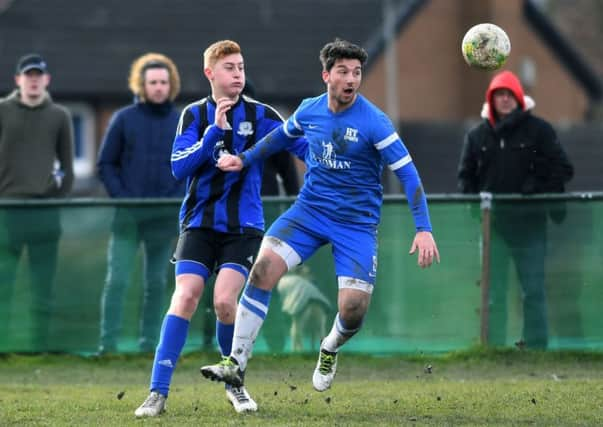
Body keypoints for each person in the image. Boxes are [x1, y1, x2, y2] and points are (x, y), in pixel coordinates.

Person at [200, 39, 439, 403]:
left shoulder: (374, 121)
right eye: (343, 71)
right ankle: (236, 361)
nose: (351, 79)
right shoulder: (310, 110)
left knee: (353, 310)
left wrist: (423, 228)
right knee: (262, 270)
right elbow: (278, 138)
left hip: (356, 225)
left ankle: (329, 347)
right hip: (309, 213)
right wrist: (244, 159)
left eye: (357, 73)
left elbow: (408, 174)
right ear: (326, 75)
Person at [134, 40, 306, 417]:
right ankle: (157, 393)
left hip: (242, 227)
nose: (238, 74)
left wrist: (331, 159)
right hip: (198, 223)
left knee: (225, 301)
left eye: (242, 67)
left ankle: (236, 385)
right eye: (230, 68)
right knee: (185, 297)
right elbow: (179, 167)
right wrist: (214, 132)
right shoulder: (194, 116)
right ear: (210, 73)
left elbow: (301, 145)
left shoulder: (262, 115)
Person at [457, 70, 573, 349]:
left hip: (530, 226)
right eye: (499, 95)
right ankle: (493, 348)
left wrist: (538, 186)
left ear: (519, 98)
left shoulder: (540, 131)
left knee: (532, 291)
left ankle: (536, 348)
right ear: (491, 99)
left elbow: (563, 169)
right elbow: (466, 177)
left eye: (509, 94)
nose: (505, 99)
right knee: (492, 293)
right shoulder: (477, 136)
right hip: (493, 227)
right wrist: (475, 205)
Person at [96, 53, 185, 354]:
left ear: (170, 85)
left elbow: (190, 167)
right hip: (127, 219)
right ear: (141, 85)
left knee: (156, 284)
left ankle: (149, 344)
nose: (158, 87)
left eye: (163, 82)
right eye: (152, 82)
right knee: (117, 281)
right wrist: (124, 198)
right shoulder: (123, 119)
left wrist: (173, 200)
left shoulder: (180, 121)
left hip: (163, 220)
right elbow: (105, 164)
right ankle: (107, 344)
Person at [0, 54, 74, 352]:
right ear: (18, 79)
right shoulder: (3, 111)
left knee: (43, 287)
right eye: (27, 75)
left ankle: (39, 347)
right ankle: (2, 346)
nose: (33, 80)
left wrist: (54, 197)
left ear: (46, 80)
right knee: (3, 284)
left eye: (38, 75)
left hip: (45, 213)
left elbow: (68, 168)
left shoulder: (59, 115)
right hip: (7, 212)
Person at [276, 267, 331, 352]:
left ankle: (297, 349)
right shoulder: (296, 280)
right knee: (319, 329)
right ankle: (323, 351)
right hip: (317, 302)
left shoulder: (289, 280)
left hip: (308, 302)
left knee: (298, 327)